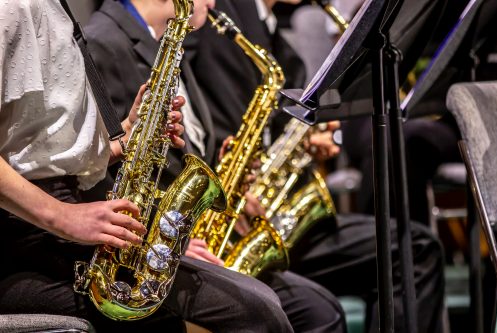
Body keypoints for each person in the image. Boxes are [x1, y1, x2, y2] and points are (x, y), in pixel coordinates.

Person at [0, 1, 294, 332]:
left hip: (59, 222)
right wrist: (61, 216)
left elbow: (38, 149)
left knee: (258, 302)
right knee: (253, 311)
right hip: (27, 241)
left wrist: (127, 136)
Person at [83, 0, 347, 332]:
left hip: (191, 239)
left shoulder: (167, 42)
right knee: (303, 311)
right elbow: (109, 178)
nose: (213, 3)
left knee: (317, 306)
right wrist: (165, 236)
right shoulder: (103, 42)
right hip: (142, 257)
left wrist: (225, 175)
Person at [188, 0, 447, 332]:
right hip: (236, 222)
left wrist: (309, 141)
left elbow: (275, 127)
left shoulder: (276, 38)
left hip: (276, 216)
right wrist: (225, 190)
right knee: (330, 304)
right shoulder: (219, 21)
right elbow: (200, 127)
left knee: (416, 249)